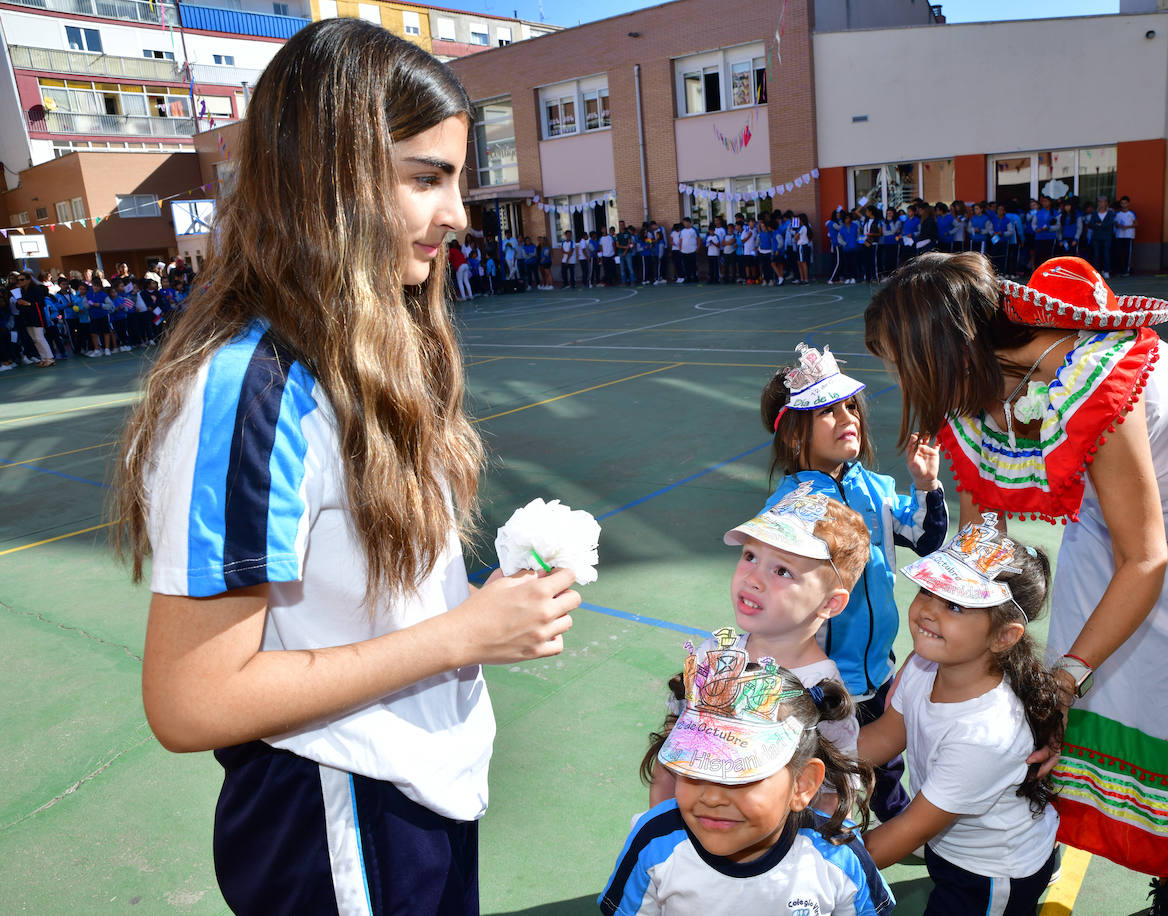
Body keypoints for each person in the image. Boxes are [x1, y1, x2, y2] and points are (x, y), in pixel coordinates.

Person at [111, 20, 582, 914]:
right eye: (425, 178)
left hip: (414, 790)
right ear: (329, 177)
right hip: (338, 807)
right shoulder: (254, 388)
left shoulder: (371, 348)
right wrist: (460, 636)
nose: (458, 214)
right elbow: (190, 699)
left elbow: (352, 594)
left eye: (458, 179)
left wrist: (477, 604)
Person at [865, 253, 1168, 916]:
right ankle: (1046, 837)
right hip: (1116, 507)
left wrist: (1060, 682)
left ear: (939, 351)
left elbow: (1146, 561)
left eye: (899, 362)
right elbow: (984, 542)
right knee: (1084, 664)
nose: (897, 378)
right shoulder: (979, 379)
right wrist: (956, 629)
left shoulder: (1089, 376)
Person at [761, 342, 947, 823]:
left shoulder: (877, 490)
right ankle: (826, 840)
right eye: (826, 410)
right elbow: (775, 601)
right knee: (828, 770)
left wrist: (924, 484)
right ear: (795, 435)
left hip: (879, 665)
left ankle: (891, 810)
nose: (847, 416)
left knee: (884, 753)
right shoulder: (787, 511)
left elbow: (925, 538)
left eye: (849, 405)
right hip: (823, 677)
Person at [604, 632, 894, 916]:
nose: (713, 797)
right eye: (694, 767)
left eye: (742, 776)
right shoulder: (653, 843)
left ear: (802, 785)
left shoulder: (839, 857)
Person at [858, 516, 1061, 913]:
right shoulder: (923, 665)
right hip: (951, 843)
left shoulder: (986, 733)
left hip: (991, 872)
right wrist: (805, 763)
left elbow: (907, 830)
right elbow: (883, 738)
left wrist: (815, 865)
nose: (928, 611)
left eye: (954, 604)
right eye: (927, 590)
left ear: (1004, 636)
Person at [645, 488, 870, 808]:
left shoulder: (823, 694)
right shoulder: (711, 656)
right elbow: (669, 760)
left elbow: (832, 796)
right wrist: (660, 831)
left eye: (782, 571)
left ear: (830, 603)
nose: (753, 578)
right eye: (750, 556)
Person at [1084, 196, 1114, 276]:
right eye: (1100, 202)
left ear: (1107, 203)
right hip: (1096, 237)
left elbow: (1109, 224)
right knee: (1096, 254)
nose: (1101, 203)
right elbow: (1092, 224)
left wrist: (1100, 225)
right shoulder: (1094, 213)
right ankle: (1097, 271)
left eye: (1103, 201)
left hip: (1106, 237)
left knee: (1106, 254)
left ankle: (1106, 271)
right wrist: (1100, 225)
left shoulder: (1110, 213)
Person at [1112, 196, 1137, 277]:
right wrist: (1118, 225)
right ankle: (1119, 270)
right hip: (1119, 236)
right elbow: (1115, 224)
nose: (1123, 205)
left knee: (1127, 254)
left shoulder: (1131, 213)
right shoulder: (1118, 214)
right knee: (1119, 253)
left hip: (1128, 236)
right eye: (1122, 203)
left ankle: (1126, 270)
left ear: (1128, 203)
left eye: (1125, 203)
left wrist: (1127, 227)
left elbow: (1136, 224)